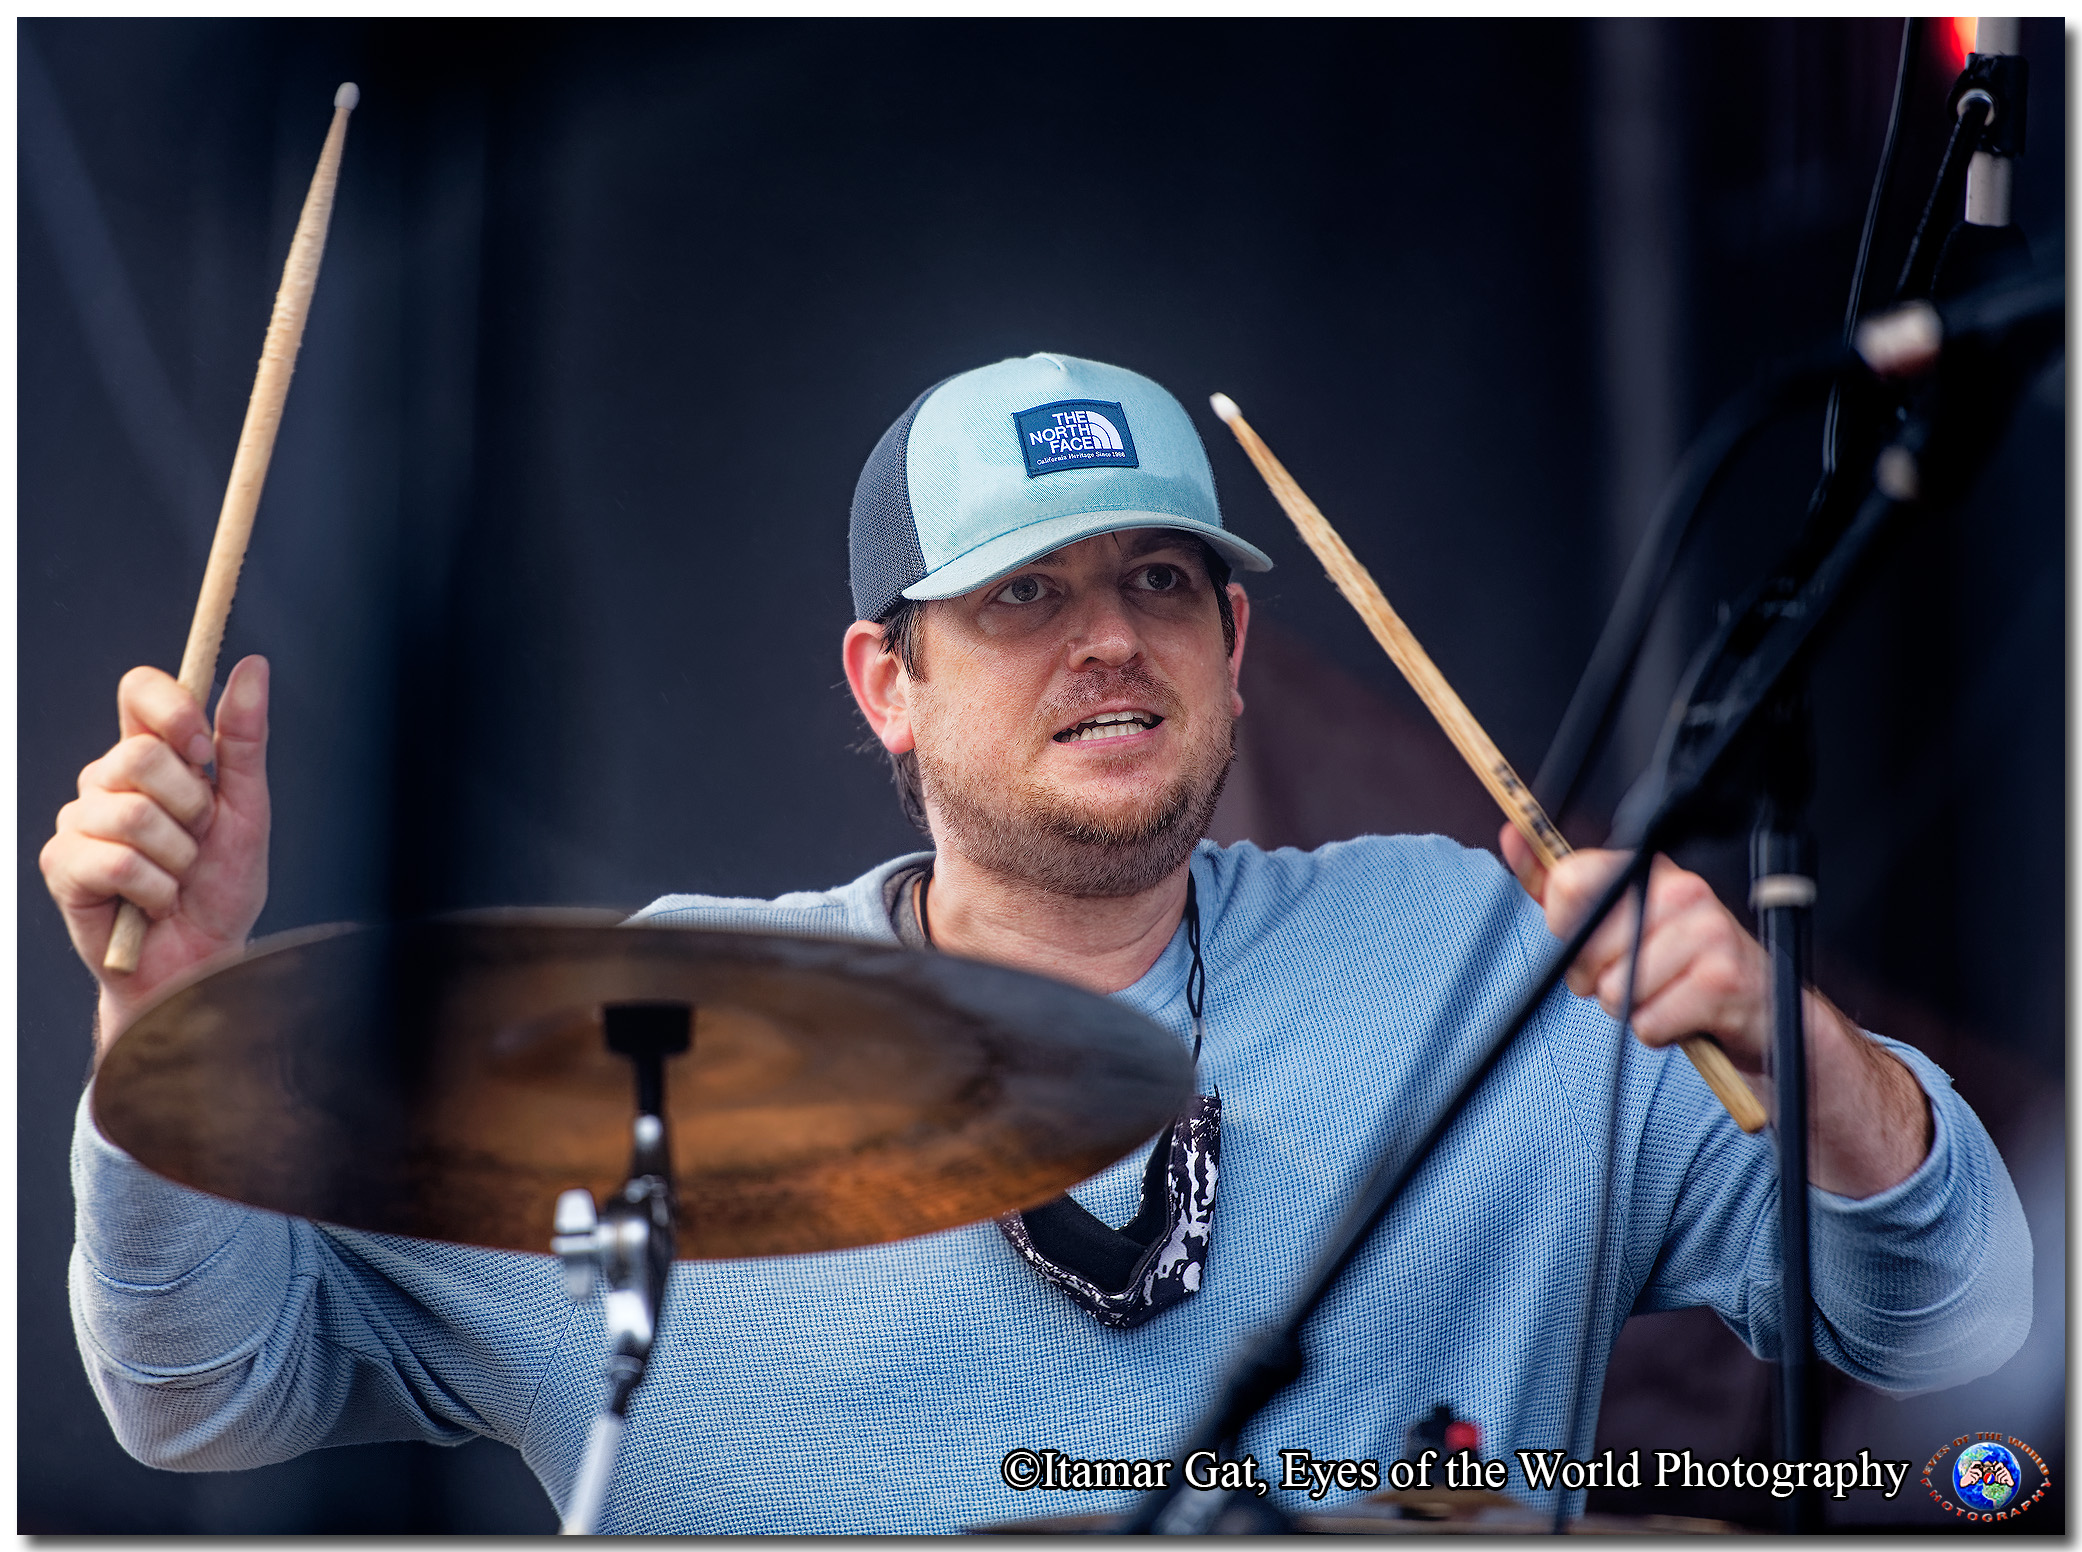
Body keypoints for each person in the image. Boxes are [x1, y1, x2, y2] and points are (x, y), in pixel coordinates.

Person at [45, 353, 2029, 1534]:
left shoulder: (1484, 960)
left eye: (1160, 579)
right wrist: (161, 1006)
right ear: (884, 683)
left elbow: (1945, 1320)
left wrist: (1792, 1045)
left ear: (1232, 646)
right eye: (1020, 596)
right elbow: (207, 1390)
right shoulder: (640, 1036)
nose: (1106, 637)